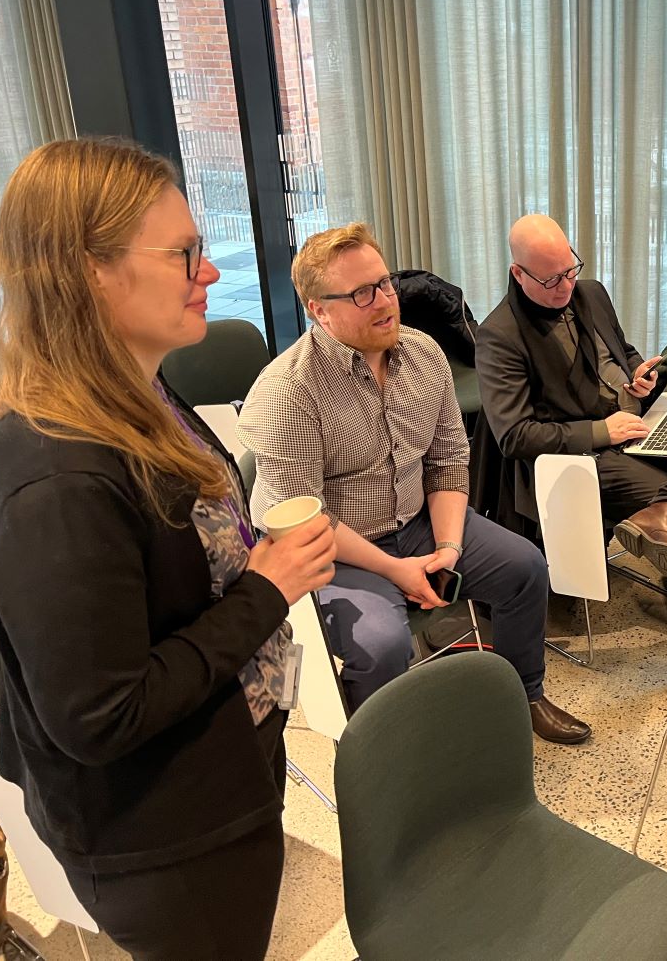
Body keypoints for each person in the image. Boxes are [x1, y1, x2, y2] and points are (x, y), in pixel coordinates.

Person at [0, 138, 337, 960]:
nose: (209, 272)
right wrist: (266, 590)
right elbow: (102, 715)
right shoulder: (58, 482)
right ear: (89, 271)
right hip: (160, 835)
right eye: (184, 254)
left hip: (219, 758)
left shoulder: (138, 391)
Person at [237, 222, 590, 744]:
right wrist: (396, 570)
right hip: (333, 549)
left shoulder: (423, 354)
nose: (385, 301)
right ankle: (383, 755)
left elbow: (447, 460)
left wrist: (448, 547)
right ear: (319, 310)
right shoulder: (289, 391)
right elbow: (306, 519)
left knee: (525, 569)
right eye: (361, 293)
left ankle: (524, 695)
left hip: (418, 521)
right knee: (381, 644)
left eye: (384, 283)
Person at [476, 214, 667, 580]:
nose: (565, 286)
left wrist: (639, 374)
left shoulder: (592, 293)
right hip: (585, 453)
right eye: (550, 280)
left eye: (570, 270)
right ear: (518, 274)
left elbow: (622, 351)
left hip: (638, 425)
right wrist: (603, 431)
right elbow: (515, 437)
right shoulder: (500, 336)